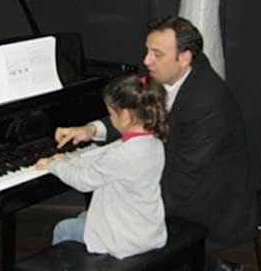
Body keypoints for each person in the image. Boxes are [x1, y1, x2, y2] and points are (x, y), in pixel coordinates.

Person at [55, 16, 258, 271]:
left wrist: (132, 215)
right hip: (176, 184)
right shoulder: (171, 77)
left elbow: (183, 180)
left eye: (157, 54)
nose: (146, 61)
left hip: (205, 205)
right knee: (95, 212)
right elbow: (135, 117)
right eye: (148, 50)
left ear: (184, 58)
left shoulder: (206, 103)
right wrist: (90, 129)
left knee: (78, 224)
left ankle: (205, 263)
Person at [34, 73, 169, 260]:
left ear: (125, 116)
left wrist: (55, 165)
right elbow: (104, 155)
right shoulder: (153, 142)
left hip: (125, 240)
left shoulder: (122, 155)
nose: (110, 119)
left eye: (111, 114)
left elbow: (82, 181)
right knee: (84, 217)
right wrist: (71, 161)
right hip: (145, 228)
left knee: (63, 228)